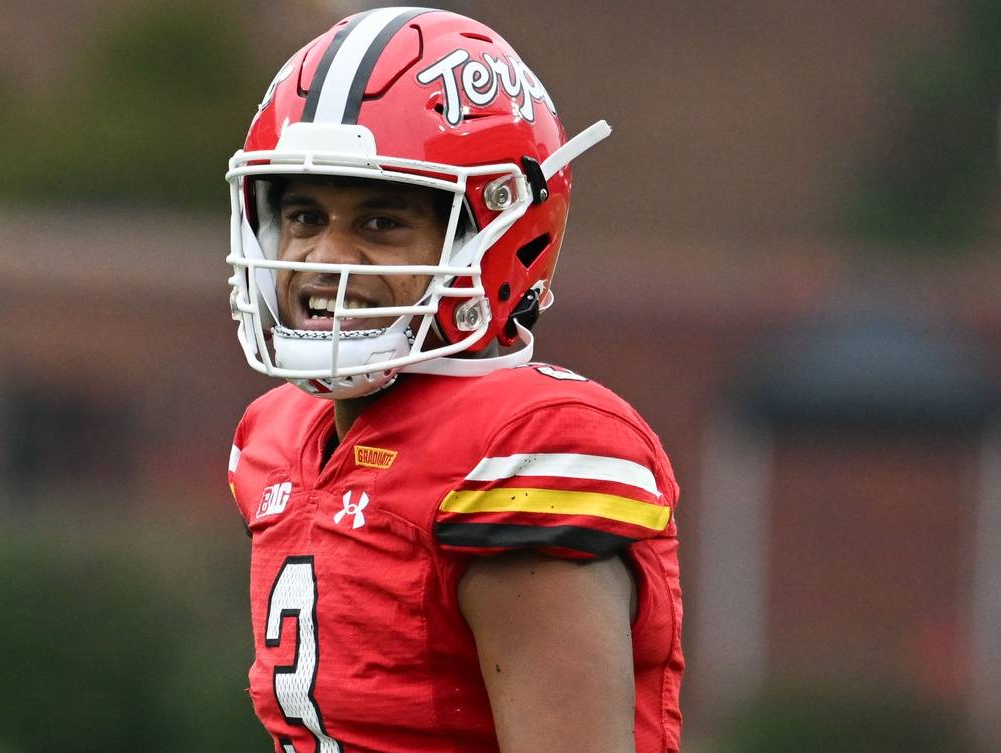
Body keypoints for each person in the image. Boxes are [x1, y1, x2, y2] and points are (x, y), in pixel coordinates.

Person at [223, 8, 682, 752]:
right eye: (304, 214)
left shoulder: (526, 444)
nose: (322, 257)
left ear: (496, 232)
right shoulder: (275, 439)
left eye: (380, 224)